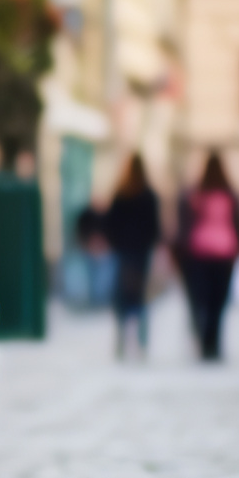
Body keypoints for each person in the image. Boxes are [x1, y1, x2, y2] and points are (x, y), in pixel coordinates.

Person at [178, 151, 239, 362]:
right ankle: (213, 344)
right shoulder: (231, 196)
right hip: (224, 254)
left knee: (202, 301)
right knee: (218, 302)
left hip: (198, 253)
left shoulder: (195, 194)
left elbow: (184, 226)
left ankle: (204, 341)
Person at [103, 154, 162, 359]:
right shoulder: (150, 196)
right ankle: (141, 344)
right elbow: (155, 228)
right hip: (141, 253)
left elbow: (110, 224)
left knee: (121, 297)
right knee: (140, 297)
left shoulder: (121, 194)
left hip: (122, 252)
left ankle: (120, 342)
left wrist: (116, 243)